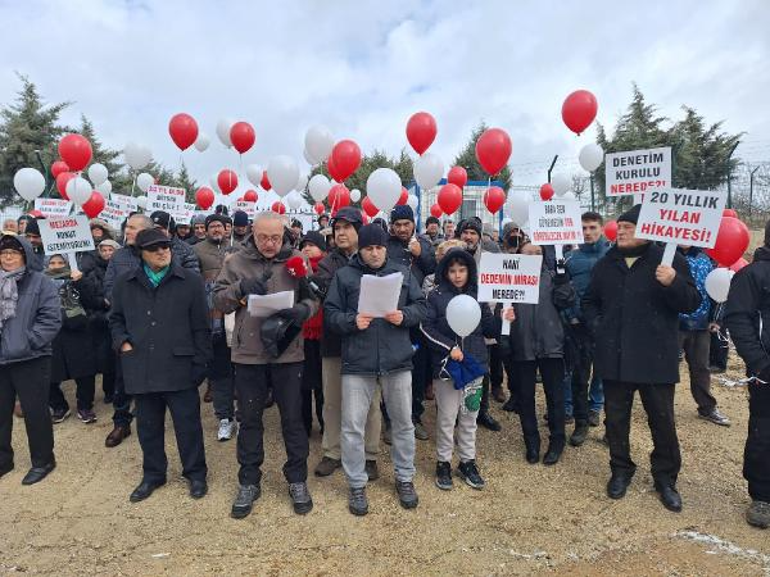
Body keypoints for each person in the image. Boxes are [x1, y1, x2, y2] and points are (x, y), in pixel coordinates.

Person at [583, 205, 701, 513]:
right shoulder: (607, 263)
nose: (620, 231)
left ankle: (665, 478)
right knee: (616, 420)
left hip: (655, 358)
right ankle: (621, 469)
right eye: (620, 226)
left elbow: (692, 302)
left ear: (648, 230)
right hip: (615, 357)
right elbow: (589, 301)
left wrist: (673, 282)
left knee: (662, 421)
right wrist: (599, 328)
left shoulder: (669, 260)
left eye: (628, 227)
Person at [214, 211, 318, 519]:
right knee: (249, 420)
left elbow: (314, 298)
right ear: (252, 234)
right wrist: (241, 289)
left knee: (293, 420)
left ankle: (297, 479)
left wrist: (303, 310)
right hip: (249, 354)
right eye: (263, 237)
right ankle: (249, 481)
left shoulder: (298, 260)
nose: (270, 243)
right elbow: (218, 301)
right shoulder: (235, 261)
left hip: (288, 352)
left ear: (284, 235)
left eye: (275, 237)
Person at [325, 224, 427, 516]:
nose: (374, 253)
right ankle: (356, 483)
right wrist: (351, 321)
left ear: (385, 248)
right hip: (358, 361)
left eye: (379, 247)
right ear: (361, 249)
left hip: (397, 359)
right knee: (352, 426)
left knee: (403, 423)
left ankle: (404, 477)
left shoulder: (402, 273)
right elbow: (330, 313)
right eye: (369, 248)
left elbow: (422, 306)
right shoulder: (344, 275)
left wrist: (404, 315)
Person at [109, 228, 211, 503]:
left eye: (165, 246)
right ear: (139, 253)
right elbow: (115, 319)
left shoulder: (190, 281)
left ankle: (196, 473)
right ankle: (153, 474)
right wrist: (122, 343)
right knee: (148, 426)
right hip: (140, 366)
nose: (162, 251)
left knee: (188, 426)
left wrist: (200, 364)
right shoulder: (125, 283)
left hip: (180, 365)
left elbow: (202, 327)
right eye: (154, 248)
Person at [311, 207, 382, 479]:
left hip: (368, 341)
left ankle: (369, 453)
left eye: (346, 227)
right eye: (337, 228)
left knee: (371, 401)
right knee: (332, 400)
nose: (340, 233)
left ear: (359, 230)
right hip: (334, 341)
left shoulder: (374, 259)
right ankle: (333, 451)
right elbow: (328, 297)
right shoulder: (328, 263)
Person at [421, 248, 499, 491]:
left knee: (469, 416)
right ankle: (443, 462)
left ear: (469, 271)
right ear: (445, 272)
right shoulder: (435, 296)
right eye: (452, 270)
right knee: (447, 418)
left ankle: (467, 461)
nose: (457, 275)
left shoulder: (478, 295)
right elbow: (425, 328)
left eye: (462, 270)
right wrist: (449, 347)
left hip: (474, 365)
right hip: (447, 367)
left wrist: (503, 316)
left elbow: (490, 329)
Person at [503, 240, 575, 466]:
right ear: (519, 255)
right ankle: (531, 442)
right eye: (528, 253)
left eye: (537, 253)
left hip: (551, 345)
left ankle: (557, 441)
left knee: (555, 397)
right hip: (522, 345)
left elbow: (566, 301)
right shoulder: (510, 280)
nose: (533, 256)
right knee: (525, 398)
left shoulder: (553, 277)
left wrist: (563, 281)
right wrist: (504, 321)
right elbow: (502, 312)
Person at [0, 234, 61, 485]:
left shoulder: (40, 282)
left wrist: (29, 341)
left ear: (25, 255)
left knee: (35, 412)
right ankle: (3, 459)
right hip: (2, 359)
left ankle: (43, 460)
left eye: (14, 253)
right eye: (4, 253)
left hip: (31, 357)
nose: (8, 257)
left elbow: (51, 319)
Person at [725, 223, 770, 529]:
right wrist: (760, 364)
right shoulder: (753, 275)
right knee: (764, 433)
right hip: (766, 372)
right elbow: (739, 321)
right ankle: (763, 496)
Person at [387, 205, 435, 441]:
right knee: (392, 369)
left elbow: (435, 271)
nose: (402, 229)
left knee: (417, 367)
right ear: (392, 226)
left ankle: (415, 415)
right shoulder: (386, 245)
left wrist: (421, 254)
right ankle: (390, 420)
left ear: (414, 224)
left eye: (406, 224)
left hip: (417, 318)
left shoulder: (425, 244)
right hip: (392, 317)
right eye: (398, 225)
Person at [562, 212, 610, 446]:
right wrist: (570, 316)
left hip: (606, 327)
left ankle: (599, 411)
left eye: (592, 227)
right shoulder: (570, 258)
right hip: (578, 327)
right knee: (579, 377)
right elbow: (563, 292)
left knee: (606, 376)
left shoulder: (613, 255)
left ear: (601, 229)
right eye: (584, 228)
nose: (588, 232)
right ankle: (581, 423)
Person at [193, 214, 237, 441]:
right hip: (213, 320)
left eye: (220, 225)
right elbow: (192, 279)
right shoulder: (196, 250)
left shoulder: (239, 248)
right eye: (212, 226)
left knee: (243, 372)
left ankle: (243, 415)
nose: (216, 229)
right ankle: (224, 417)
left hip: (238, 317)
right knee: (219, 373)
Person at [457, 217, 503, 431]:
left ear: (479, 237)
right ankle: (456, 412)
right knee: (457, 368)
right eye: (465, 233)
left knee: (482, 369)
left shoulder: (490, 259)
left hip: (484, 319)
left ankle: (482, 410)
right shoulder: (452, 255)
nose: (469, 237)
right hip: (457, 321)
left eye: (473, 233)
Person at [678, 245, 730, 426]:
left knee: (701, 367)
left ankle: (707, 407)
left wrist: (716, 318)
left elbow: (718, 289)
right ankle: (660, 407)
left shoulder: (706, 259)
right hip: (672, 323)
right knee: (666, 367)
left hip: (701, 324)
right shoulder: (666, 254)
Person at [45, 254, 99, 424]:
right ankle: (59, 406)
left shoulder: (77, 278)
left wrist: (80, 282)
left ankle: (85, 406)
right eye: (52, 262)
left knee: (84, 372)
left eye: (61, 262)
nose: (57, 266)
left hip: (77, 329)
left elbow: (92, 301)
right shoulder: (40, 282)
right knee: (49, 374)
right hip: (51, 332)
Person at [299, 231, 326, 436]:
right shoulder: (296, 270)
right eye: (304, 245)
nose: (307, 248)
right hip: (302, 334)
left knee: (324, 385)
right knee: (303, 384)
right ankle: (304, 424)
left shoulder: (327, 270)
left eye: (312, 245)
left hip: (324, 334)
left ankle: (326, 423)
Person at [85, 239, 119, 404]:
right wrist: (103, 302)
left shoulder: (122, 268)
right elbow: (90, 296)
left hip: (120, 315)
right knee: (107, 357)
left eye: (110, 250)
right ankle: (109, 390)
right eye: (103, 250)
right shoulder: (93, 272)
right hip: (102, 319)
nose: (107, 253)